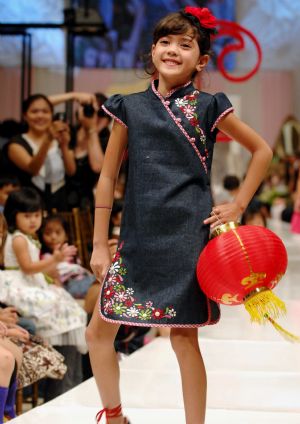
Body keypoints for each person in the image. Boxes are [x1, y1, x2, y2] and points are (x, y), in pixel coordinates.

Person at [86, 6, 272, 424]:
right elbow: (107, 177)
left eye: (184, 45)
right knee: (98, 333)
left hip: (188, 239)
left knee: (184, 340)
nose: (172, 50)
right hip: (135, 241)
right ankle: (114, 416)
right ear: (152, 50)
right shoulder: (128, 107)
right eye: (165, 42)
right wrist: (99, 243)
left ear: (201, 60)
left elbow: (263, 150)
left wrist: (239, 205)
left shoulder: (210, 106)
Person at [0, 189, 88, 399]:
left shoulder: (29, 237)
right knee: (61, 308)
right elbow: (28, 268)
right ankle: (60, 386)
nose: (33, 221)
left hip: (31, 283)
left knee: (70, 308)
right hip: (19, 285)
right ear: (14, 216)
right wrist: (55, 259)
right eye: (27, 216)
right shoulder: (19, 239)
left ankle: (69, 382)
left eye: (37, 215)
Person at [2, 94, 75, 212]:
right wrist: (48, 139)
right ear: (25, 116)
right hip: (28, 210)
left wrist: (64, 145)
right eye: (34, 111)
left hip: (60, 206)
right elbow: (33, 169)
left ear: (52, 115)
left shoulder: (59, 139)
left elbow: (71, 171)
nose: (40, 116)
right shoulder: (15, 144)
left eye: (45, 111)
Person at [40, 214, 96, 298]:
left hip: (84, 278)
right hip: (70, 284)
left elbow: (79, 269)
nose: (53, 237)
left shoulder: (71, 252)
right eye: (48, 233)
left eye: (58, 232)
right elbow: (50, 276)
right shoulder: (45, 257)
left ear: (66, 236)